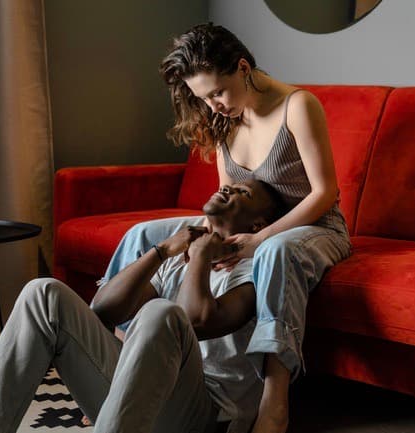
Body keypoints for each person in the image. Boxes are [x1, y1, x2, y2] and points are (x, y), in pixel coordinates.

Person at [102, 23, 352, 433]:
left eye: (217, 92)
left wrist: (260, 239)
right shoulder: (225, 119)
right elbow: (225, 194)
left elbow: (324, 193)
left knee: (276, 251)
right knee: (144, 235)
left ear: (242, 67)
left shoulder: (297, 106)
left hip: (314, 227)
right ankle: (122, 365)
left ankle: (275, 402)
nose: (213, 105)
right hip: (251, 224)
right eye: (203, 97)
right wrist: (204, 237)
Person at [0, 180, 288, 433]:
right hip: (133, 404)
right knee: (43, 292)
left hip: (204, 413)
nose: (228, 188)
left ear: (258, 225)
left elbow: (195, 320)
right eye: (229, 185)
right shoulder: (177, 260)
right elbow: (103, 311)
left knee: (161, 313)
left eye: (242, 193)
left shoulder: (254, 269)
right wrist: (162, 250)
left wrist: (201, 256)